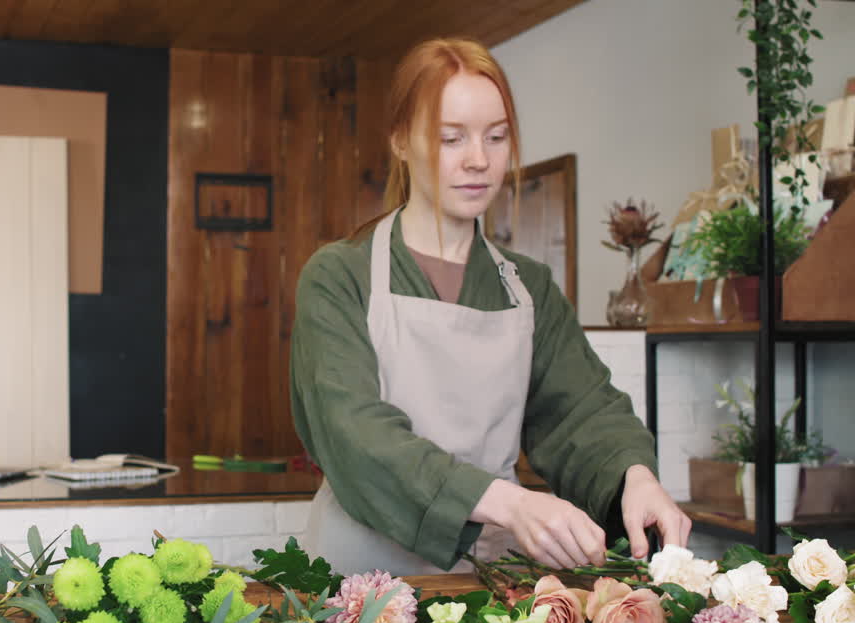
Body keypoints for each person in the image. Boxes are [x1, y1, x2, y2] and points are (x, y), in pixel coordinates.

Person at [289, 38, 690, 577]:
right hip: (356, 588)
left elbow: (582, 412)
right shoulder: (339, 277)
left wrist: (635, 476)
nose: (478, 160)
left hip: (488, 591)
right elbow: (353, 433)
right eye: (450, 138)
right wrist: (512, 503)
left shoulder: (530, 288)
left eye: (496, 138)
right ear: (401, 142)